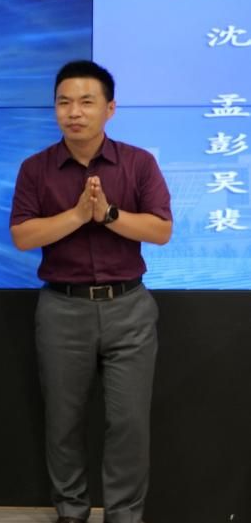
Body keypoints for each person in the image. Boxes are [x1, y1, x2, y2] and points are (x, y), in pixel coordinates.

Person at [10, 60, 172, 523]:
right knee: (63, 420)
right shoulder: (36, 168)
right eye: (64, 102)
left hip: (129, 307)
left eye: (86, 102)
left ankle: (124, 514)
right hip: (62, 308)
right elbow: (22, 236)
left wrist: (108, 215)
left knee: (128, 422)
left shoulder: (138, 163)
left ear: (110, 108)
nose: (74, 112)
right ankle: (71, 510)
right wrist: (79, 215)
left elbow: (161, 231)